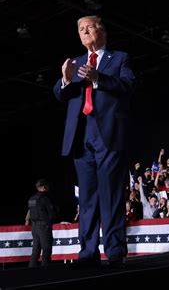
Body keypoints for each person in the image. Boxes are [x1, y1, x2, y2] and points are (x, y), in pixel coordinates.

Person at [53, 15, 136, 267]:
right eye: (80, 29)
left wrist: (99, 77)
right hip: (81, 136)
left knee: (110, 195)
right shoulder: (75, 62)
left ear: (102, 31)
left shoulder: (119, 58)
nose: (85, 31)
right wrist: (66, 79)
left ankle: (114, 251)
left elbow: (128, 84)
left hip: (108, 135)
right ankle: (87, 252)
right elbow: (60, 94)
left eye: (89, 26)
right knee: (87, 199)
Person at [28, 179, 57, 267]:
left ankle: (30, 271)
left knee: (36, 250)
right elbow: (52, 214)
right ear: (44, 187)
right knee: (46, 249)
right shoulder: (45, 198)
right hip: (44, 227)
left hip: (34, 227)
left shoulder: (31, 199)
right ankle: (45, 271)